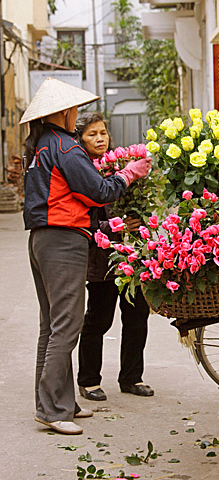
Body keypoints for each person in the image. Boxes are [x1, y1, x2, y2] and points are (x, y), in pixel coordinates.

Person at [21, 77, 152, 435]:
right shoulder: (65, 147)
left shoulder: (38, 147)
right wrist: (129, 173)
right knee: (66, 325)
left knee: (52, 326)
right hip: (63, 240)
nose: (77, 116)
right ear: (63, 113)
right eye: (75, 111)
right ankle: (51, 410)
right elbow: (98, 192)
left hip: (41, 239)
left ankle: (59, 403)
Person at [75, 112, 153, 402]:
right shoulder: (81, 170)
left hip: (132, 255)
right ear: (80, 140)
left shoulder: (120, 167)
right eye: (92, 134)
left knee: (136, 315)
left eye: (103, 133)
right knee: (99, 319)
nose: (99, 138)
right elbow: (82, 221)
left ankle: (132, 377)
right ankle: (89, 380)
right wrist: (115, 226)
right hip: (101, 260)